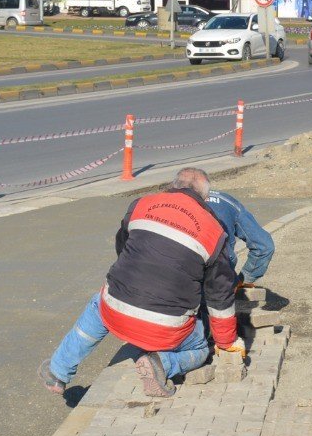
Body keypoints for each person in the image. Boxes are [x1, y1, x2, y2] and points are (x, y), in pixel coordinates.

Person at [40, 168, 242, 399]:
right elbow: (220, 295)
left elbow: (124, 247)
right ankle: (161, 363)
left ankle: (57, 371)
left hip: (116, 311)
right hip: (167, 328)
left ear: (174, 185)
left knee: (99, 305)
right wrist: (225, 342)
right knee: (201, 347)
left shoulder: (142, 204)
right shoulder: (214, 231)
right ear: (205, 198)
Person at [205, 188, 275, 289]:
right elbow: (264, 246)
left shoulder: (174, 201)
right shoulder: (227, 201)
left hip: (180, 272)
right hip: (219, 270)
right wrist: (244, 279)